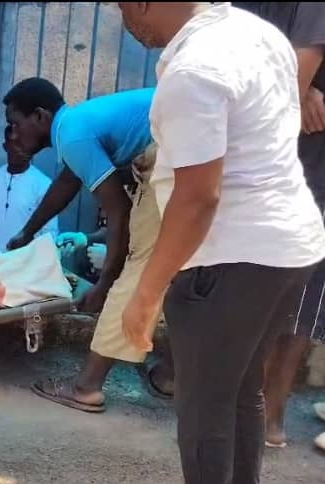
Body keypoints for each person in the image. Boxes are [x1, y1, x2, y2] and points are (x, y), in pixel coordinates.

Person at [118, 3, 325, 483]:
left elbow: (197, 199)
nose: (124, 19)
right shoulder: (257, 34)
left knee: (204, 412)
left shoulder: (194, 70)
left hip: (232, 257)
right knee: (240, 392)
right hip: (288, 249)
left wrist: (147, 294)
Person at [2, 79, 176, 412]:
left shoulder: (72, 135)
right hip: (199, 145)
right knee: (188, 271)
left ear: (39, 116)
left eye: (16, 123)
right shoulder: (77, 124)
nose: (14, 133)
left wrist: (104, 285)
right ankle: (171, 376)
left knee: (141, 268)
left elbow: (119, 211)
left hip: (174, 151)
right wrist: (27, 232)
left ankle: (87, 386)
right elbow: (68, 182)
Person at [230, 1, 325, 450]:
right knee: (267, 291)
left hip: (308, 169)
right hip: (277, 165)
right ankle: (255, 412)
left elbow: (295, 72)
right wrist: (298, 91)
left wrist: (297, 88)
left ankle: (270, 413)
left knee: (297, 297)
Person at [0, 126, 57, 255]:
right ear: (6, 146)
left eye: (26, 145)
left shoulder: (43, 184)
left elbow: (50, 233)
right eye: (16, 144)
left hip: (22, 261)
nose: (22, 150)